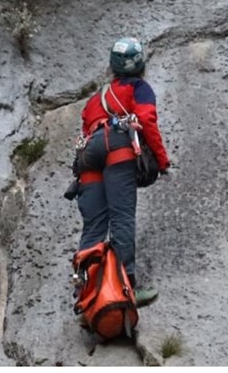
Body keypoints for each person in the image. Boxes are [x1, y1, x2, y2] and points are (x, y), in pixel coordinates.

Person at [75, 37, 170, 307]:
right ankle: (127, 288)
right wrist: (162, 162)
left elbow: (86, 132)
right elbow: (147, 121)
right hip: (117, 149)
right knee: (122, 217)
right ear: (140, 64)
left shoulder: (94, 100)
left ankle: (87, 297)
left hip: (88, 155)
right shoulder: (139, 88)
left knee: (93, 227)